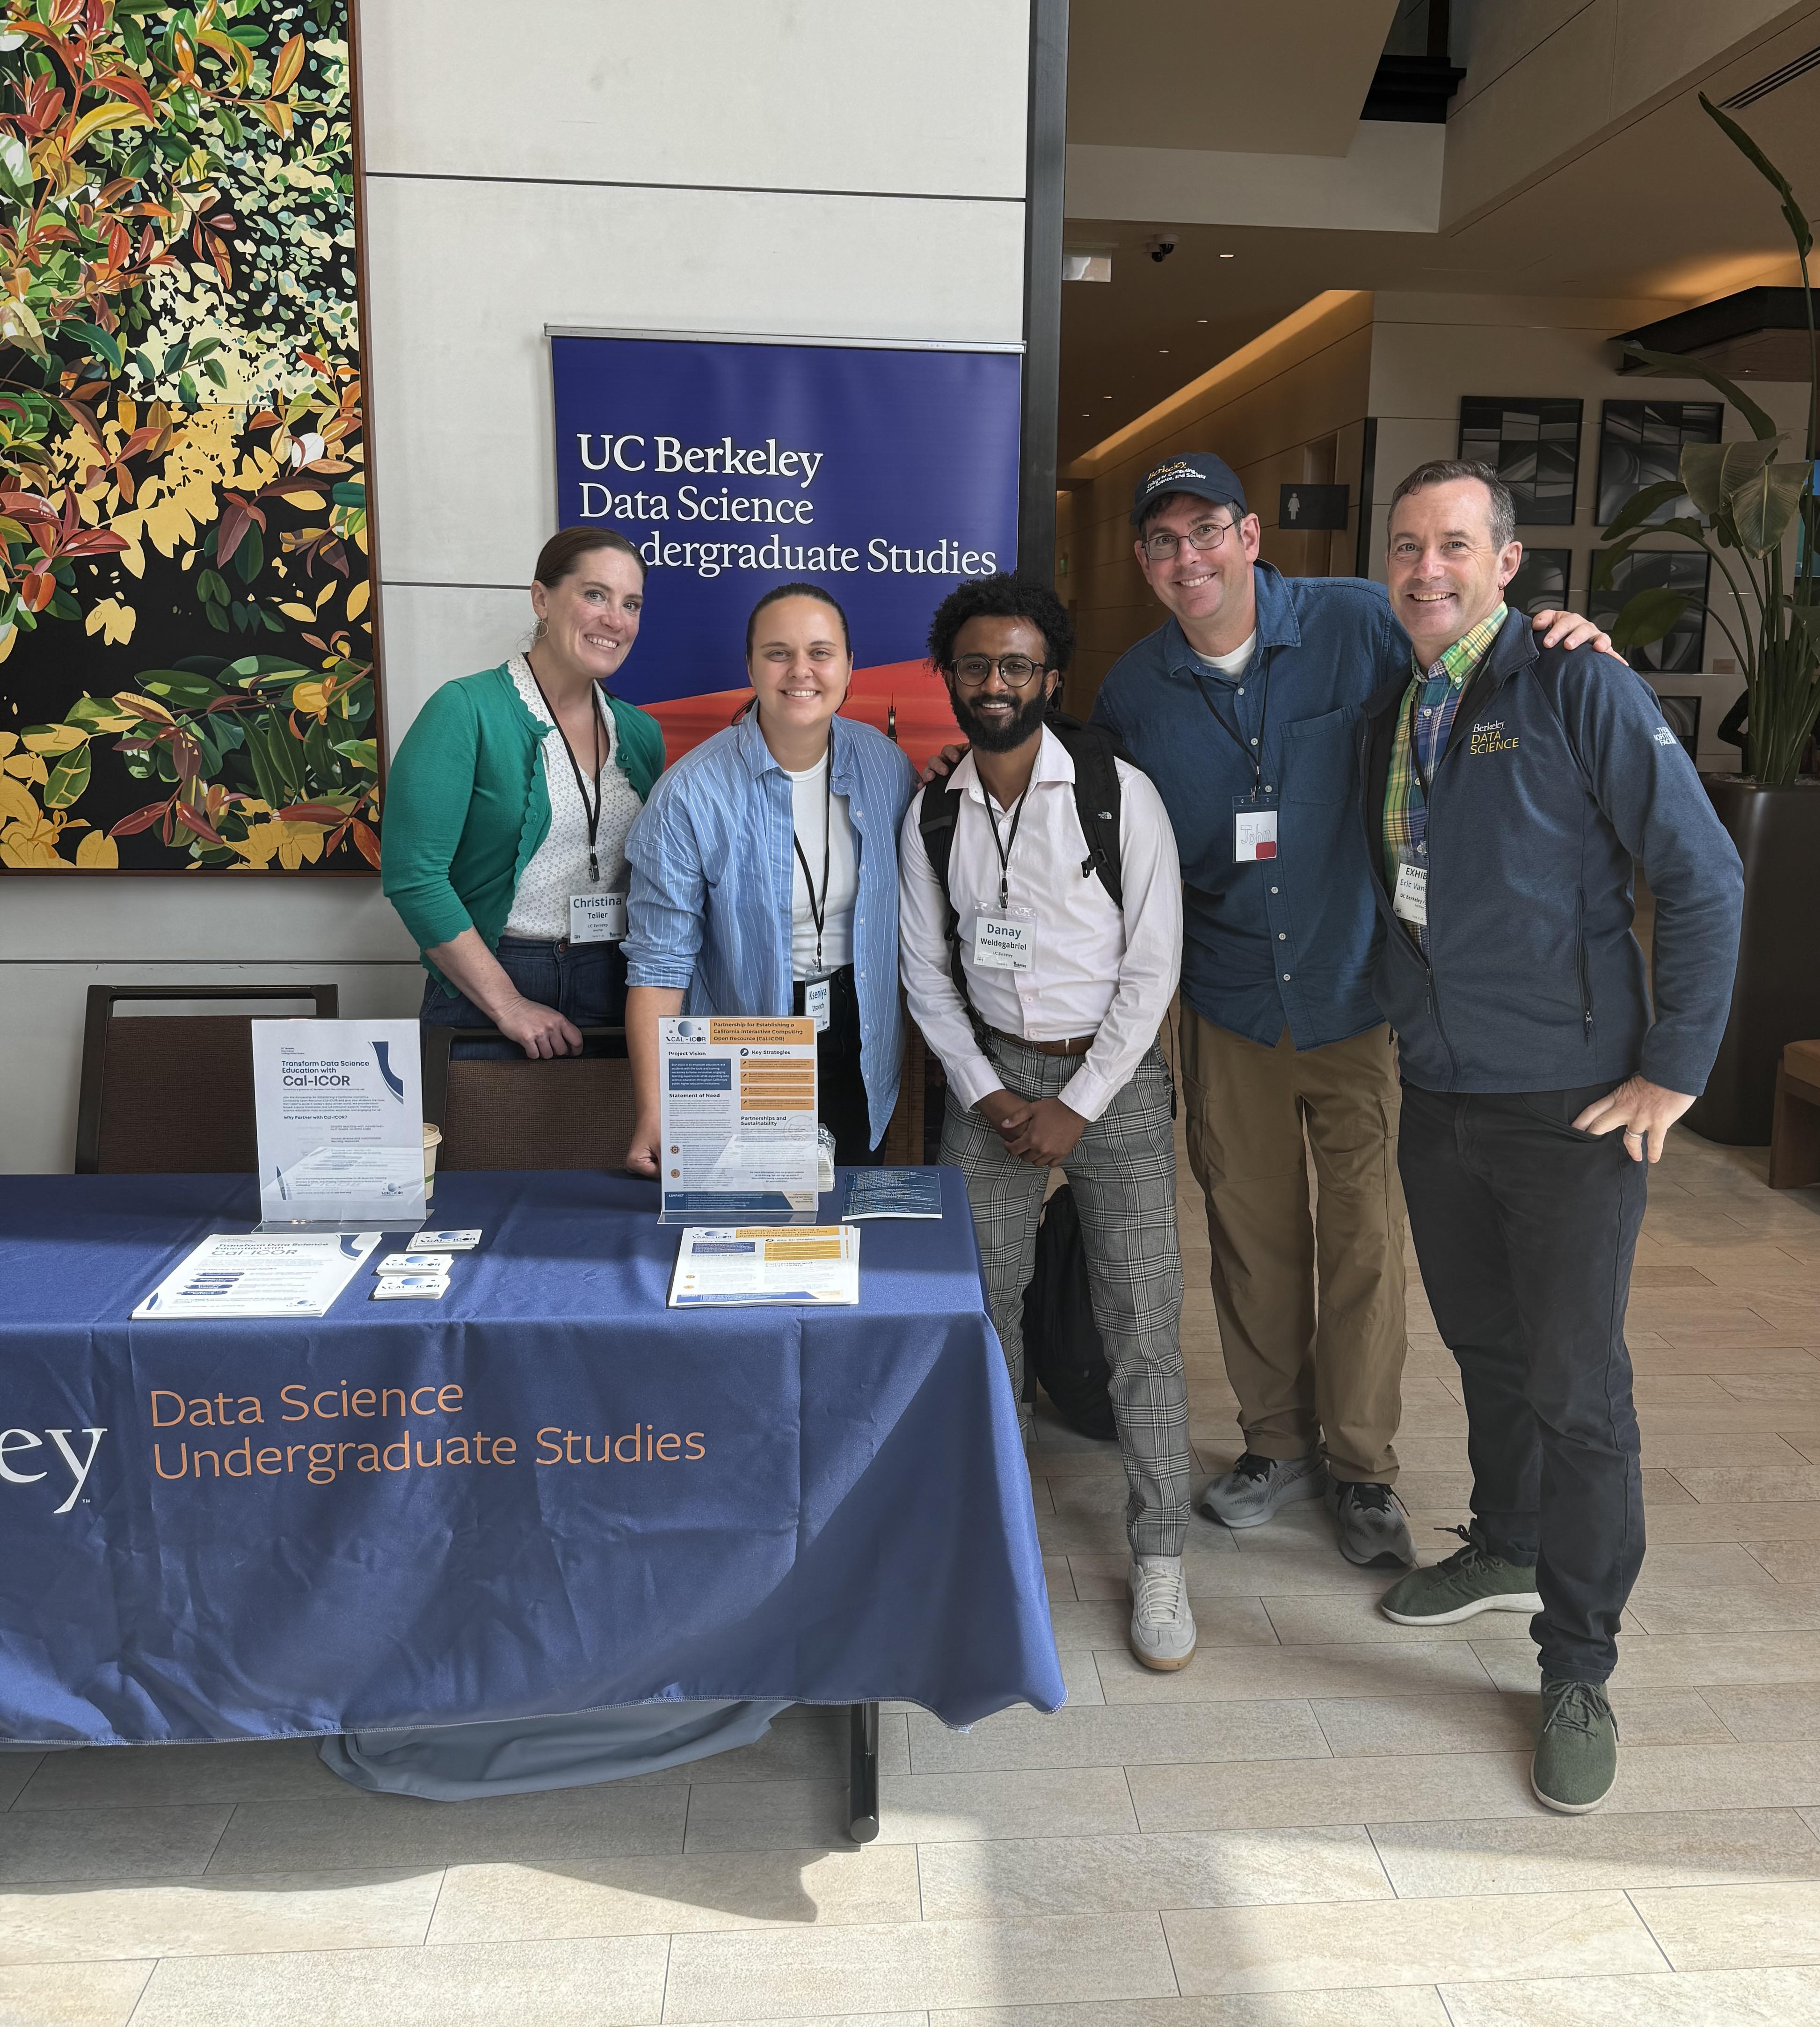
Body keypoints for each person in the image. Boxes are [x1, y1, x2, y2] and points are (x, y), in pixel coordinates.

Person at [1085, 453, 1612, 1572]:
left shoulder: (1355, 624)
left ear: (1249, 535)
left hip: (1363, 995)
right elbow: (1107, 847)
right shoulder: (1132, 693)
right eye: (1163, 542)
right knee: (1251, 1236)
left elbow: (1469, 652)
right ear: (1143, 561)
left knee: (1366, 1240)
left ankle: (1361, 1466)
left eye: (1206, 531)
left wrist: (1563, 636)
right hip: (1227, 1002)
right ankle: (1275, 1443)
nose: (1189, 558)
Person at [1361, 459, 1742, 1813]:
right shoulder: (1401, 699)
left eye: (1454, 545)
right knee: (1488, 1345)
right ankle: (1507, 1540)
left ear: (1506, 563)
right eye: (1406, 545)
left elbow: (1701, 875)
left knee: (1579, 1389)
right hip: (1441, 1091)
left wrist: (1672, 1073)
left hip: (1572, 1106)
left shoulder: (1576, 679)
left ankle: (1577, 1661)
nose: (1426, 568)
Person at [900, 574, 1195, 1672]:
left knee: (1141, 1317)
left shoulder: (1119, 795)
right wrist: (982, 1089)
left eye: (1015, 665)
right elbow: (922, 968)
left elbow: (1152, 964)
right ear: (951, 675)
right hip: (988, 1085)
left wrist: (1074, 1106)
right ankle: (998, 1527)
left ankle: (1159, 1553)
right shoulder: (934, 808)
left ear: (1050, 677)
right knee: (980, 1317)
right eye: (974, 665)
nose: (993, 684)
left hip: (1106, 1084)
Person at [621, 582, 917, 1170]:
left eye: (820, 652)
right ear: (750, 667)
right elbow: (658, 967)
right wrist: (653, 1108)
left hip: (864, 1033)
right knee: (754, 1219)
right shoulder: (690, 794)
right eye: (778, 653)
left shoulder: (886, 766)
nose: (800, 671)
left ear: (849, 666)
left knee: (846, 1213)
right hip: (746, 1042)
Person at [383, 527, 666, 1058]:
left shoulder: (641, 733)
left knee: (601, 1145)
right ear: (541, 599)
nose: (615, 619)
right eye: (594, 595)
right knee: (490, 1144)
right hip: (488, 982)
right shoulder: (464, 710)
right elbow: (413, 876)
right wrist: (508, 1004)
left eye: (631, 604)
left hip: (613, 983)